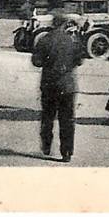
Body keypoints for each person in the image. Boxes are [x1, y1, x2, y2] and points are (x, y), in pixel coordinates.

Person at [31, 11, 86, 163]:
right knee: (67, 119)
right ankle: (66, 153)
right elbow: (80, 60)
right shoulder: (72, 40)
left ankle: (47, 147)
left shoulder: (44, 40)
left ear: (52, 24)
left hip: (49, 84)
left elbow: (36, 62)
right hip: (68, 85)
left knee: (47, 117)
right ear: (64, 24)